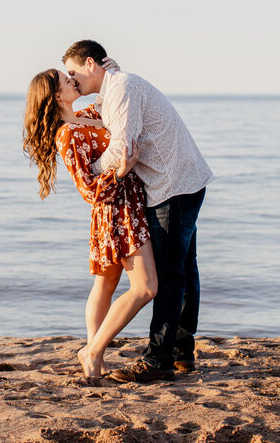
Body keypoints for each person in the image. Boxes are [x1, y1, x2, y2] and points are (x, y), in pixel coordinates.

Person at [63, 40, 214, 383]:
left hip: (170, 186)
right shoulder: (117, 85)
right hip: (183, 181)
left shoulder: (122, 88)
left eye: (74, 72)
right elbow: (109, 119)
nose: (73, 81)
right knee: (185, 268)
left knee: (171, 274)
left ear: (90, 64)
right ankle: (181, 351)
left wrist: (91, 171)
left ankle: (158, 359)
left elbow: (122, 147)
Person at [22, 68, 157, 380]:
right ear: (57, 96)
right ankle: (93, 350)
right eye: (65, 79)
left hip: (129, 202)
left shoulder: (88, 113)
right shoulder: (67, 134)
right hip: (116, 211)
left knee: (106, 284)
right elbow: (87, 189)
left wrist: (112, 68)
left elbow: (114, 98)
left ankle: (95, 359)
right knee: (146, 287)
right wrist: (121, 173)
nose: (72, 78)